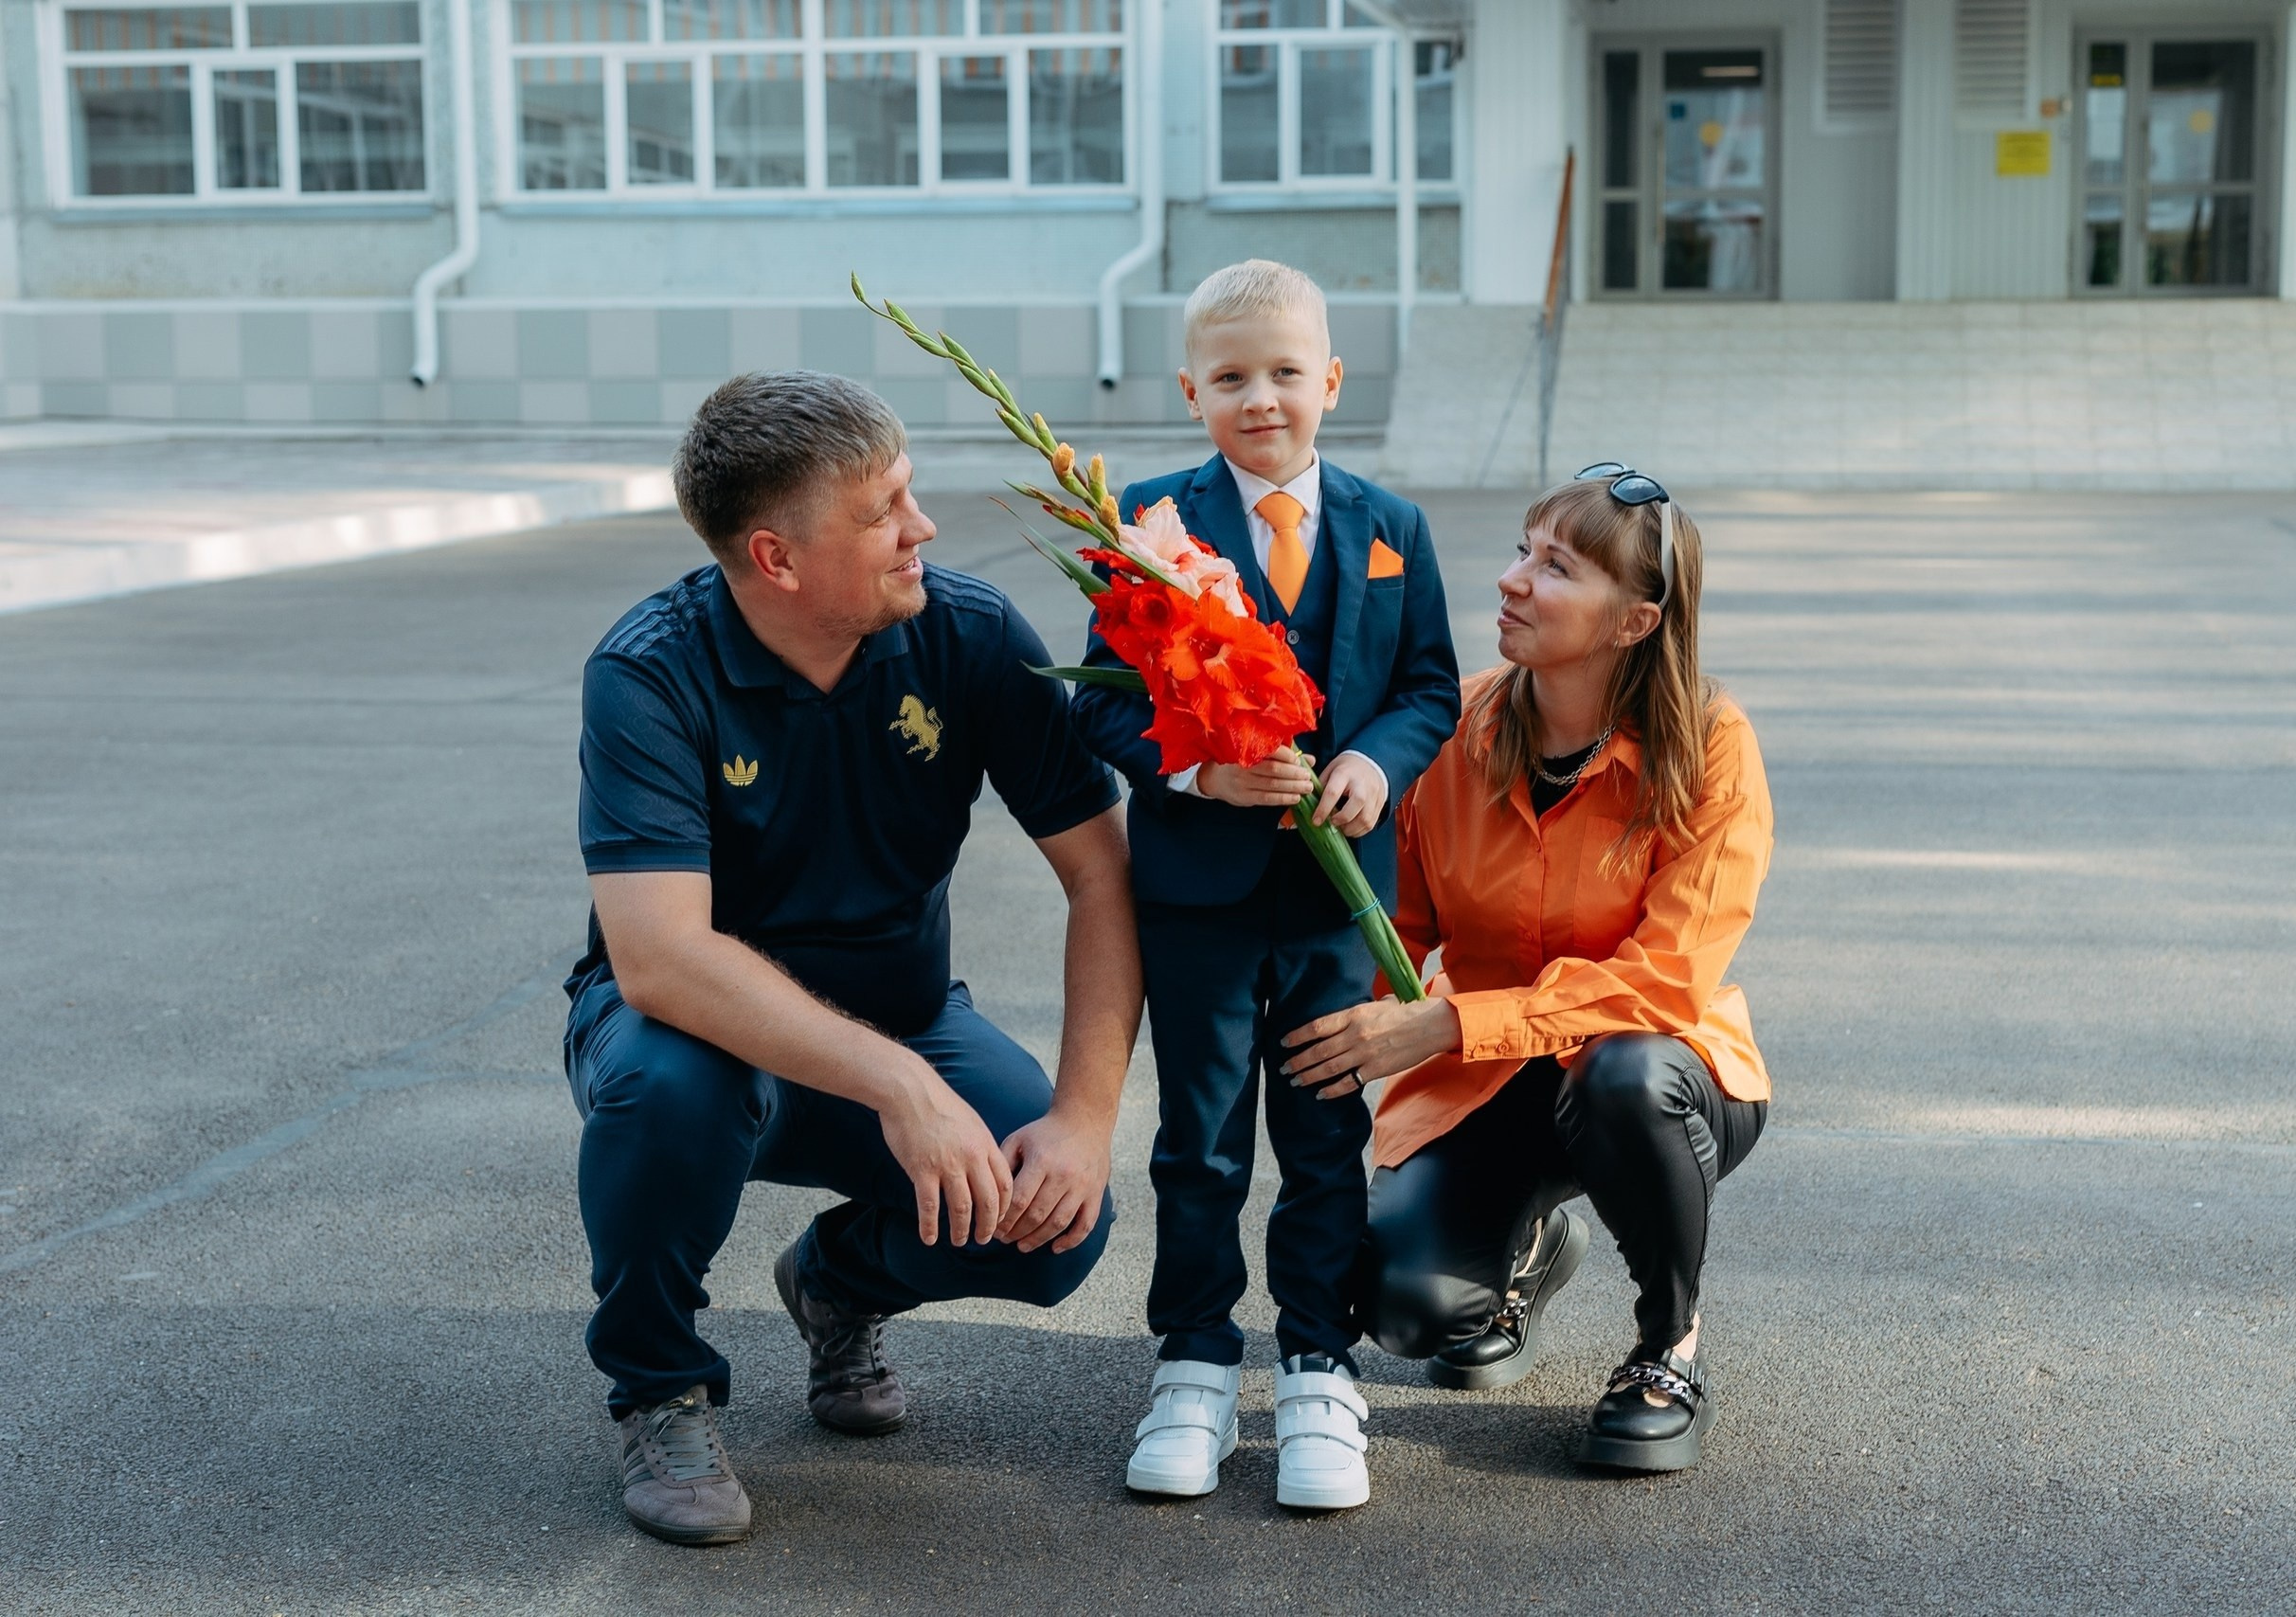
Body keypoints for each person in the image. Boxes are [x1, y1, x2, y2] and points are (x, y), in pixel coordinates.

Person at [563, 371, 1142, 1545]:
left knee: (1055, 1228)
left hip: (907, 1017)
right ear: (776, 559)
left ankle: (838, 1282)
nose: (920, 528)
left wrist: (1084, 1117)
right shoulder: (649, 673)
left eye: (910, 492)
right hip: (699, 1041)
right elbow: (663, 962)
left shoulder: (968, 633)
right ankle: (659, 1386)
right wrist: (901, 1087)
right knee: (665, 1089)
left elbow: (1102, 875)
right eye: (884, 510)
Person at [1281, 464, 1774, 1474]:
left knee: (1624, 1072)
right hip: (1488, 1085)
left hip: (1661, 1077)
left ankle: (1667, 1349)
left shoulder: (1709, 748)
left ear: (1633, 622)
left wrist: (1452, 1023)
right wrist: (1338, 1030)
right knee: (1405, 1311)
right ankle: (1528, 1251)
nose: (1512, 580)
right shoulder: (1453, 732)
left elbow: (1666, 980)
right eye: (1520, 550)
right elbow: (1396, 925)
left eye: (1554, 567)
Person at [1070, 260, 1461, 1512]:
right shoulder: (1151, 525)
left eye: (1286, 372)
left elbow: (1430, 690)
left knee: (1327, 1134)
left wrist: (1372, 760)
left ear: (1330, 380)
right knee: (1199, 1140)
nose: (1261, 399)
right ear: (1192, 390)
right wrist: (1194, 773)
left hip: (1338, 909)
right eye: (1231, 377)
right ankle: (1191, 1355)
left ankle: (1313, 1358)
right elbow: (1106, 709)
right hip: (1199, 900)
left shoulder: (1392, 527)